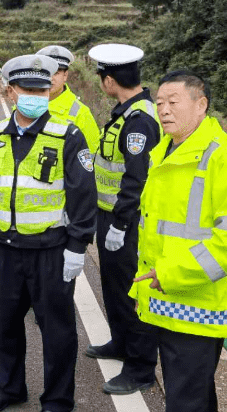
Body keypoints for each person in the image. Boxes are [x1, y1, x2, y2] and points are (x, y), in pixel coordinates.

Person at [0, 54, 97, 412]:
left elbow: (83, 194)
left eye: (41, 90)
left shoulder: (67, 136)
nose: (36, 96)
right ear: (11, 92)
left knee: (57, 331)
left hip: (50, 250)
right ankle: (9, 388)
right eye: (28, 89)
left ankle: (57, 400)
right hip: (5, 250)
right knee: (6, 325)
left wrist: (77, 245)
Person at [130, 69, 227, 412]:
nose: (164, 110)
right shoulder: (167, 152)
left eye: (173, 102)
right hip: (171, 298)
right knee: (193, 395)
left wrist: (171, 273)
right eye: (159, 103)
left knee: (186, 400)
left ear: (201, 105)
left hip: (198, 302)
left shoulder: (222, 158)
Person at [84, 44, 161, 395]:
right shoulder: (125, 112)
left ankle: (141, 369)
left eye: (102, 77)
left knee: (132, 294)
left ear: (110, 80)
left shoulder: (139, 120)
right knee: (114, 288)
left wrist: (120, 222)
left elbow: (136, 177)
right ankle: (119, 343)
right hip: (110, 215)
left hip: (126, 223)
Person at [35, 45, 100, 152]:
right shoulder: (26, 105)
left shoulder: (81, 113)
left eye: (56, 73)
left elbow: (92, 156)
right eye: (46, 72)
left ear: (65, 75)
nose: (50, 79)